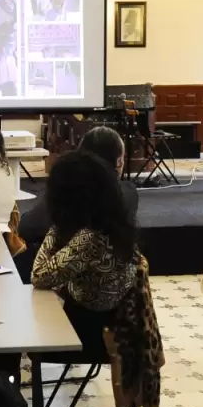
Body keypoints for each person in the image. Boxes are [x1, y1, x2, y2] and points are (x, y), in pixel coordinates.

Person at [32, 151, 139, 356]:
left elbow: (38, 275)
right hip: (113, 331)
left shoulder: (90, 239)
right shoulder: (116, 228)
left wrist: (56, 225)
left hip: (85, 339)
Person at [18, 126, 138, 251]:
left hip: (63, 265)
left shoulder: (66, 190)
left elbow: (28, 227)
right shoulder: (128, 194)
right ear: (119, 162)